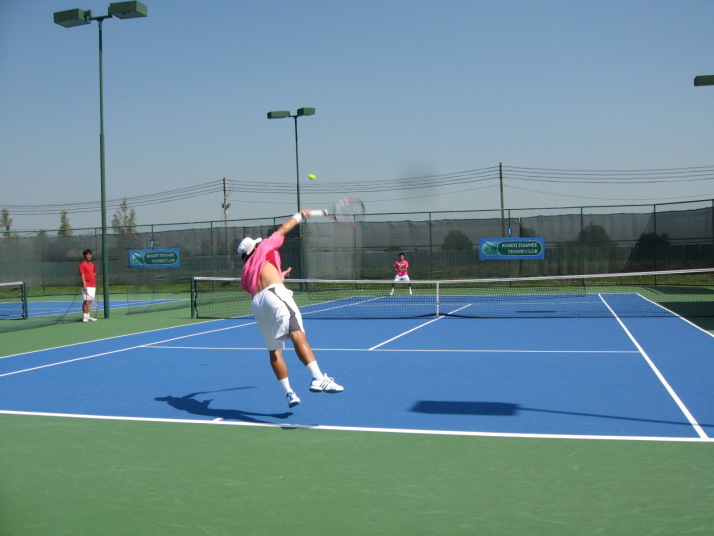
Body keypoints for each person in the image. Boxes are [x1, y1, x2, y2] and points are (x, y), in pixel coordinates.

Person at [237, 209, 344, 409]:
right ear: (255, 247)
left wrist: (280, 276)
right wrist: (300, 215)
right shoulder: (264, 247)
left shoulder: (245, 271)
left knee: (274, 351)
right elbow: (284, 229)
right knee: (297, 333)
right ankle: (318, 378)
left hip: (257, 305)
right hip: (275, 294)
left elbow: (259, 283)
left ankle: (289, 393)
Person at [78, 248, 98, 322]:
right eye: (88, 255)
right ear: (84, 256)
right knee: (86, 301)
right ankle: (85, 316)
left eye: (90, 254)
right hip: (87, 286)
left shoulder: (92, 265)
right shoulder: (82, 265)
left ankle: (88, 316)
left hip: (93, 286)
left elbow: (95, 272)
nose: (89, 256)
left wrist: (92, 278)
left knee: (90, 301)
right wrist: (84, 284)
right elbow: (82, 275)